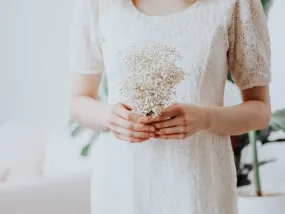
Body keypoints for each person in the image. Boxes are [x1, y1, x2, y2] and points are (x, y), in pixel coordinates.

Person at [69, 0, 271, 213]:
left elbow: (260, 109)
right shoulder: (97, 4)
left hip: (197, 187)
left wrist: (206, 118)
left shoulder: (235, 3)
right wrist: (109, 116)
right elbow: (78, 100)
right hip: (122, 184)